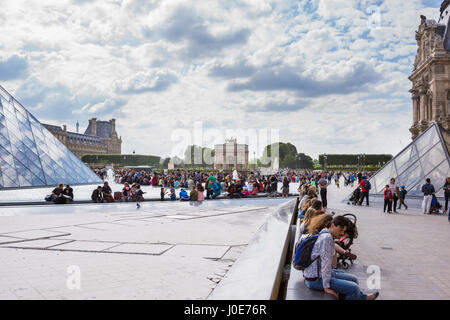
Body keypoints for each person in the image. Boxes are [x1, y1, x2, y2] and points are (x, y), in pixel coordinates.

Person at [302, 214, 379, 300]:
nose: (342, 233)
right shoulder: (327, 238)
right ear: (332, 226)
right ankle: (362, 298)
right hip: (316, 279)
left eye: (344, 231)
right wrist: (326, 287)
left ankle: (363, 298)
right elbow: (325, 265)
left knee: (354, 279)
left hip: (317, 274)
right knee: (353, 288)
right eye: (340, 230)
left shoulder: (325, 232)